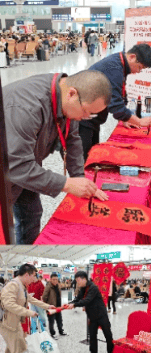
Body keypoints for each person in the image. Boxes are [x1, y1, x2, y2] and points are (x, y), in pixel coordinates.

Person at [4, 71, 112, 244]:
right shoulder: (26, 108)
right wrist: (66, 184)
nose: (85, 118)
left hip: (26, 161)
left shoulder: (64, 98)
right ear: (72, 94)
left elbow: (72, 140)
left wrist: (80, 179)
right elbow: (17, 166)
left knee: (31, 213)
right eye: (86, 112)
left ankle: (27, 252)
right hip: (10, 167)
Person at [79, 44, 151, 160]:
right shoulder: (114, 67)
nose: (138, 71)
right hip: (81, 118)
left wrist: (126, 119)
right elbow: (115, 106)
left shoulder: (119, 63)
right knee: (82, 158)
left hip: (92, 117)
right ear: (132, 57)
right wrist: (139, 121)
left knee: (92, 154)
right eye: (139, 67)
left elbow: (119, 93)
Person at [0, 264, 54, 353]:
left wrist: (47, 306)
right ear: (26, 274)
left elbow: (31, 299)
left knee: (12, 348)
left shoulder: (21, 285)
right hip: (8, 324)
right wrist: (29, 312)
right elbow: (9, 304)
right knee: (18, 350)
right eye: (33, 276)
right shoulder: (13, 285)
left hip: (14, 322)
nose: (34, 279)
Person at [67, 271, 114, 353]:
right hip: (92, 316)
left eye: (78, 280)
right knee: (92, 335)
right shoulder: (83, 288)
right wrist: (71, 303)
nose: (77, 283)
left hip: (101, 315)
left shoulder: (93, 288)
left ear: (84, 279)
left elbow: (87, 300)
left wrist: (75, 305)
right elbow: (78, 298)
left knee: (108, 335)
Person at [42, 273, 68, 339]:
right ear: (50, 279)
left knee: (59, 320)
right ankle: (52, 333)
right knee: (51, 321)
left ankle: (61, 331)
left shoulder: (58, 286)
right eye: (53, 279)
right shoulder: (48, 286)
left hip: (58, 306)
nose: (55, 281)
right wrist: (47, 306)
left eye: (56, 279)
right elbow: (44, 297)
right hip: (51, 308)